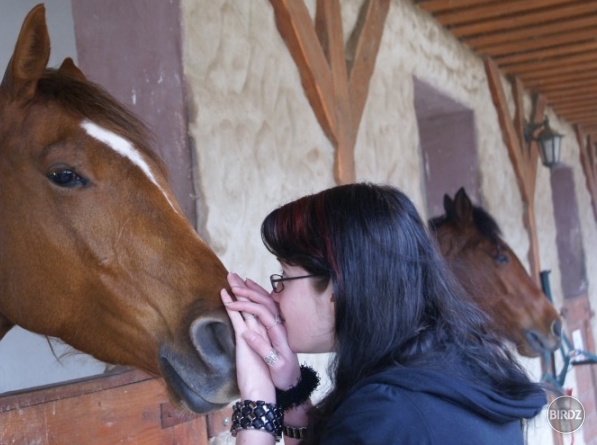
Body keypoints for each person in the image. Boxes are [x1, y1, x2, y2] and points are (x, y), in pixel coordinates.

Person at [220, 183, 546, 444]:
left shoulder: (384, 415)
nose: (273, 294)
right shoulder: (453, 368)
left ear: (337, 289)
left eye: (284, 278)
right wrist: (291, 388)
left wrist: (258, 405)